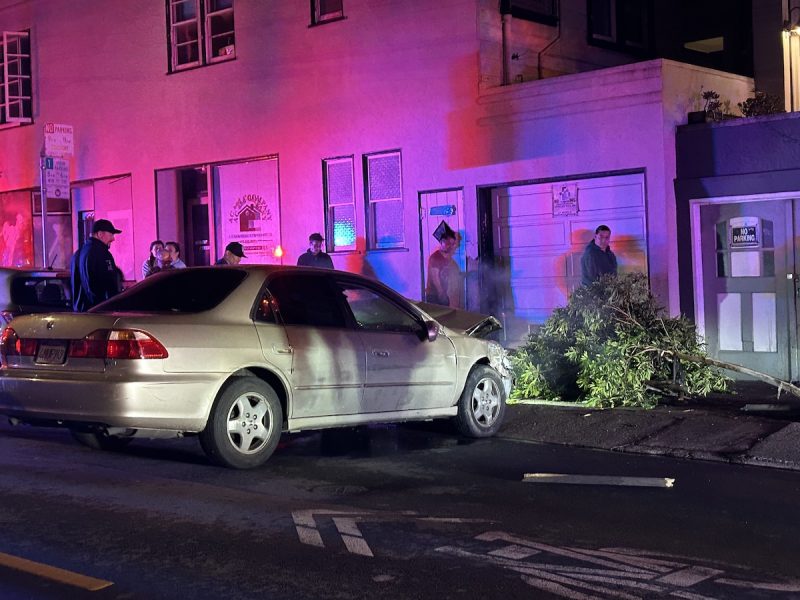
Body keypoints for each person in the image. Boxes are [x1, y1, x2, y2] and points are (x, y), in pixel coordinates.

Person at [70, 218, 123, 312]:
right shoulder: (102, 254)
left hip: (79, 313)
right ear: (100, 234)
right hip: (98, 312)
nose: (113, 239)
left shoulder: (77, 254)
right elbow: (110, 284)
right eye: (111, 234)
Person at [425, 229, 459, 306]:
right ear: (442, 242)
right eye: (448, 243)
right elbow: (435, 278)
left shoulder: (449, 260)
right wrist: (441, 294)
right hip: (434, 296)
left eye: (453, 244)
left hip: (442, 295)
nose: (450, 246)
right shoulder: (435, 258)